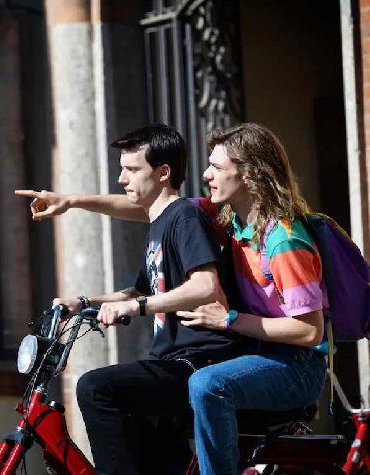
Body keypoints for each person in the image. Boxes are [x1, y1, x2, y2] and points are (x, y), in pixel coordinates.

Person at [16, 122, 327, 475]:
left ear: (250, 174)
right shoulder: (231, 222)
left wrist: (228, 320)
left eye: (217, 167)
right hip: (255, 353)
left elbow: (309, 332)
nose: (206, 174)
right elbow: (148, 207)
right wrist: (71, 203)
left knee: (193, 384)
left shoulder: (283, 239)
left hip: (292, 363)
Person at [34, 124, 243, 475]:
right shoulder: (157, 223)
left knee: (96, 388)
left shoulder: (184, 218)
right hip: (172, 361)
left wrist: (138, 307)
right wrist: (83, 302)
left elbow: (206, 285)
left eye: (132, 170)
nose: (121, 179)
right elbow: (139, 292)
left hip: (199, 363)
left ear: (163, 173)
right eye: (121, 169)